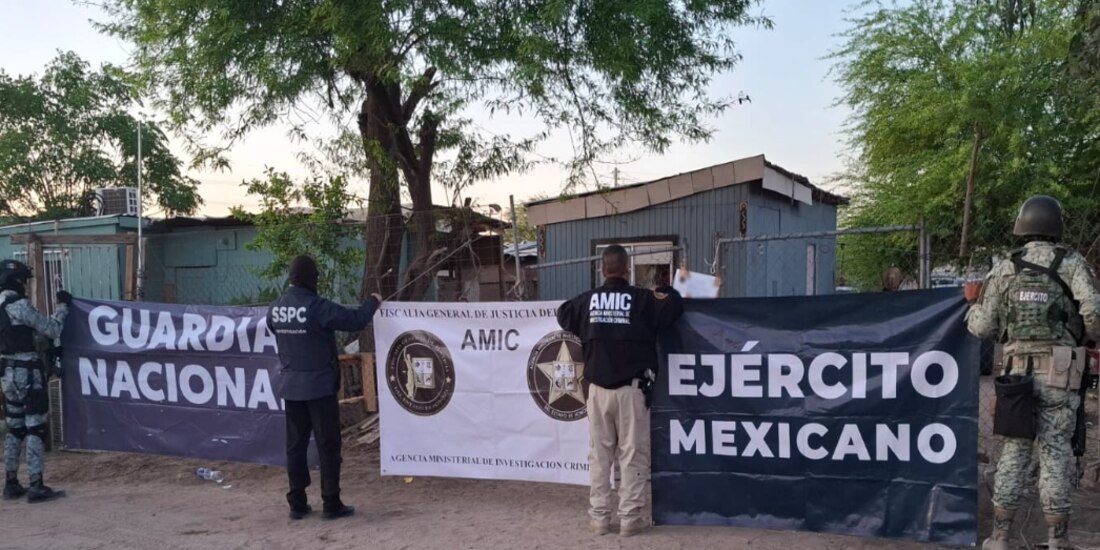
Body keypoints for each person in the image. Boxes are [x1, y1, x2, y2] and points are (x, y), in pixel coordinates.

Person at [966, 195, 1100, 550]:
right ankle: (1058, 541)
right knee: (1056, 452)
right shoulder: (1071, 262)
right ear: (1056, 225)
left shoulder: (1005, 267)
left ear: (1022, 226)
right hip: (1061, 374)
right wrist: (1084, 336)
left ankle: (999, 538)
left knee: (1014, 453)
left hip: (1016, 379)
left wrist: (970, 308)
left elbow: (982, 328)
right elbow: (1094, 312)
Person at [557, 245, 684, 537]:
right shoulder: (642, 299)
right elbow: (675, 306)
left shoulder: (588, 301)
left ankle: (600, 519)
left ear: (603, 270)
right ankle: (630, 519)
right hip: (632, 391)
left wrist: (593, 304)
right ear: (627, 269)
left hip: (598, 392)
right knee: (632, 455)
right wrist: (665, 288)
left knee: (599, 456)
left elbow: (563, 313)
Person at [267, 255, 382, 521]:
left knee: (295, 447)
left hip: (291, 387)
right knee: (328, 445)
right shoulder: (317, 307)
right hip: (319, 388)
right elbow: (354, 320)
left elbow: (274, 328)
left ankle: (297, 503)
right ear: (312, 278)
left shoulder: (276, 308)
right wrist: (373, 302)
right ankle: (331, 502)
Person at [0, 259, 69, 503]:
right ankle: (36, 484)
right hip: (27, 373)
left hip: (6, 375)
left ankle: (11, 483)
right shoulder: (18, 305)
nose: (25, 285)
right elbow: (51, 329)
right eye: (23, 280)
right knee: (35, 428)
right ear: (15, 281)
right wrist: (62, 308)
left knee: (14, 428)